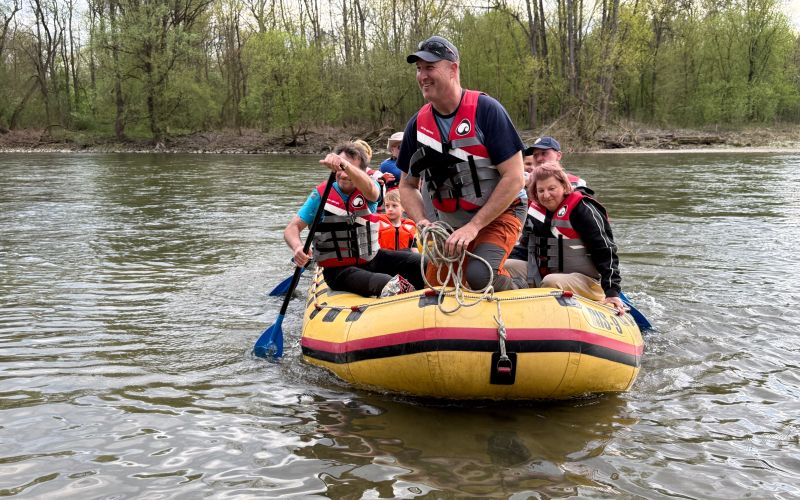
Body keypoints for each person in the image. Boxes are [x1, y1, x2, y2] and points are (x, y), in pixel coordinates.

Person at [396, 35, 527, 292]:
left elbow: (515, 177)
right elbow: (406, 185)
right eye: (419, 69)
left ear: (453, 69)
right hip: (450, 224)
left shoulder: (487, 110)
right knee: (435, 285)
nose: (423, 75)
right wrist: (422, 221)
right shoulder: (417, 125)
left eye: (430, 67)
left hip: (500, 215)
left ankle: (523, 285)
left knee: (479, 275)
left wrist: (474, 227)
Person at [283, 142, 423, 297]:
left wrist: (345, 165)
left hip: (371, 259)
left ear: (363, 171)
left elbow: (371, 191)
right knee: (387, 282)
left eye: (349, 168)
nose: (343, 174)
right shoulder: (320, 195)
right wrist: (297, 247)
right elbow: (292, 228)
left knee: (419, 262)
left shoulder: (371, 187)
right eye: (340, 168)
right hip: (338, 270)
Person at [504, 162, 625, 314]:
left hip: (586, 281)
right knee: (505, 266)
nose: (546, 195)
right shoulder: (535, 214)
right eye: (540, 190)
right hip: (543, 275)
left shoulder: (583, 209)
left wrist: (612, 291)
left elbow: (605, 251)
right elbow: (524, 250)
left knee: (551, 281)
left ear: (564, 186)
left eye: (551, 188)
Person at [523, 136, 592, 194]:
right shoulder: (522, 182)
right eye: (535, 155)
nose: (538, 159)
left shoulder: (577, 183)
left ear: (558, 155)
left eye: (544, 153)